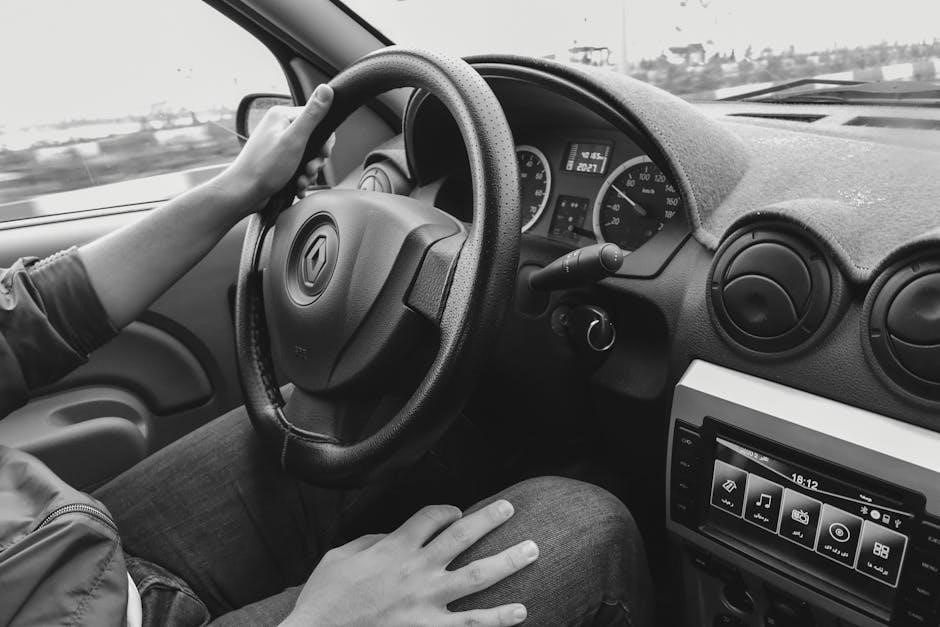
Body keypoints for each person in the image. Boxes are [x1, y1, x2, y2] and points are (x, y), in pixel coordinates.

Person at [0, 84, 653, 626]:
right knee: (588, 524)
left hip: (65, 552)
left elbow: (23, 326)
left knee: (372, 413)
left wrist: (242, 186)